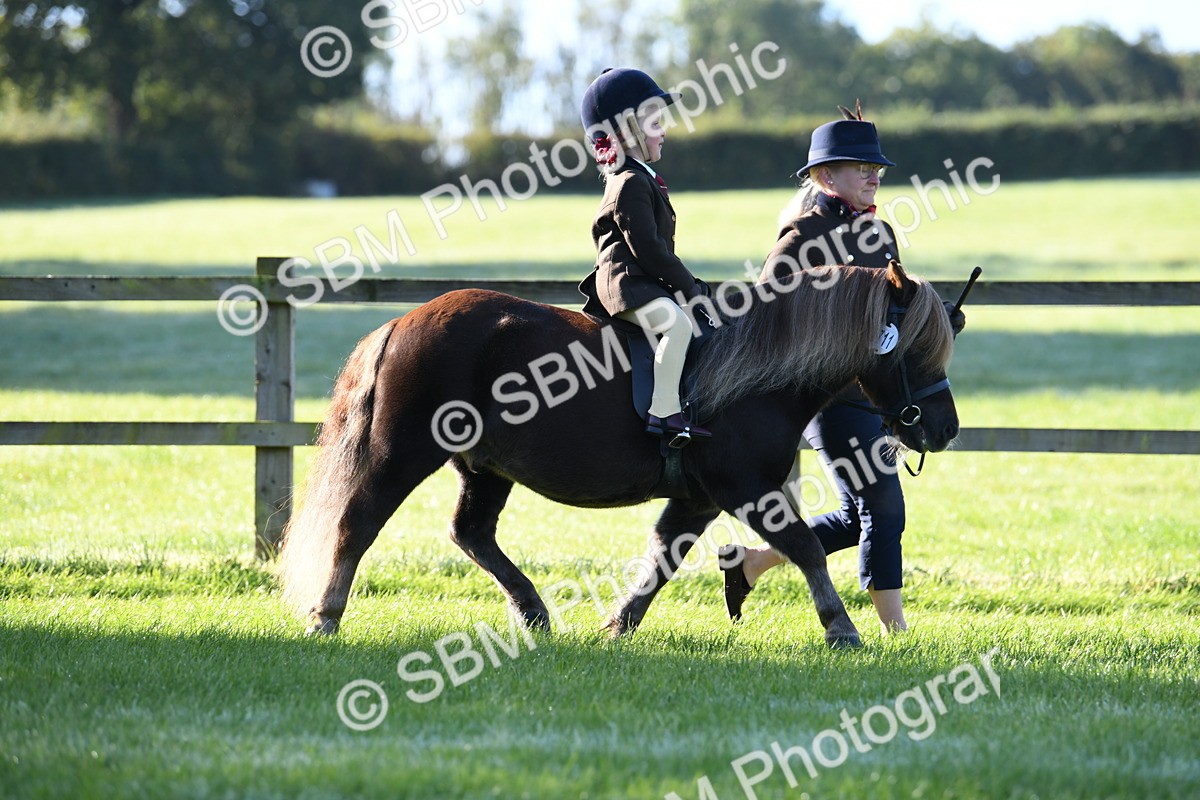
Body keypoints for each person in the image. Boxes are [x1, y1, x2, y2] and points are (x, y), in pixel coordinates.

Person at [718, 103, 965, 634]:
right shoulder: (801, 236)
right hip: (828, 399)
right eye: (861, 167)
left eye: (876, 167)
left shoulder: (882, 235)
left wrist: (936, 320)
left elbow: (890, 313)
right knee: (885, 505)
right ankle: (896, 633)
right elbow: (764, 315)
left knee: (861, 515)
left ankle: (753, 562)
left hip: (878, 395)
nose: (874, 175)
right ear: (826, 176)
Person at [577, 67, 711, 446]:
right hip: (629, 287)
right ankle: (664, 412)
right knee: (678, 326)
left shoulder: (640, 177)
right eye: (655, 122)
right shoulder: (632, 182)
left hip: (641, 282)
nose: (663, 130)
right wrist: (689, 288)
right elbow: (650, 250)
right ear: (629, 130)